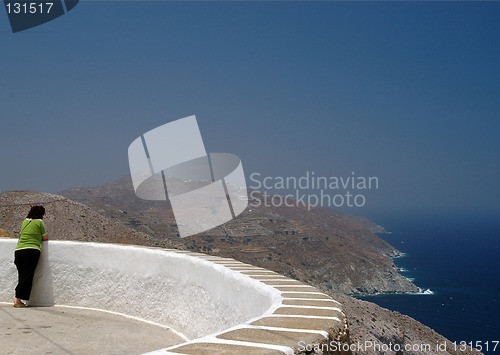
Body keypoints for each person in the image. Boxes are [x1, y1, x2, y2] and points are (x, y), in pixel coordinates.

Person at [13, 205, 49, 308]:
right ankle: (18, 300)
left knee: (22, 275)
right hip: (31, 250)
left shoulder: (25, 221)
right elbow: (45, 237)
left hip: (18, 250)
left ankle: (17, 298)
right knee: (27, 275)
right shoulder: (40, 222)